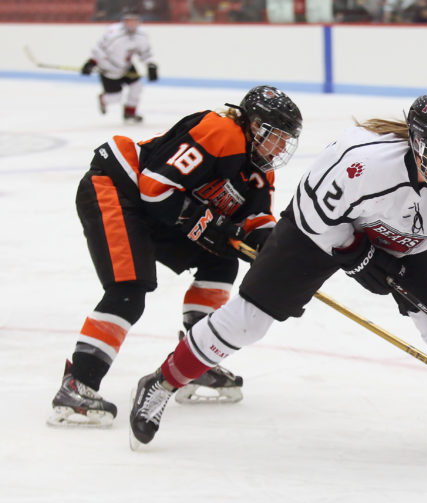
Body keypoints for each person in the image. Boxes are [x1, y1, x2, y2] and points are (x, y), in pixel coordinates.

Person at [127, 92, 427, 448]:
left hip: (409, 242)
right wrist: (355, 251)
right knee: (250, 320)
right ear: (417, 143)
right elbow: (315, 212)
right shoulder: (361, 162)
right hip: (316, 232)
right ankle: (161, 382)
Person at [47, 86, 303, 428]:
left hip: (158, 211)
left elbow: (256, 221)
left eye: (288, 139)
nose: (282, 147)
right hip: (119, 189)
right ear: (255, 126)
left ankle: (197, 359)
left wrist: (276, 260)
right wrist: (210, 225)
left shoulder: (260, 171)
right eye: (278, 136)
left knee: (221, 261)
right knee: (129, 290)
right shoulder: (221, 131)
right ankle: (77, 385)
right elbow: (155, 188)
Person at [80, 8, 158, 123]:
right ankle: (103, 99)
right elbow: (99, 49)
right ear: (124, 21)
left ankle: (130, 113)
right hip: (109, 68)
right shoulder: (113, 33)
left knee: (137, 87)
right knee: (115, 98)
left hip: (127, 66)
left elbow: (145, 53)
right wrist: (92, 62)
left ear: (138, 21)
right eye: (128, 20)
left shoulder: (141, 35)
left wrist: (151, 65)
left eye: (134, 20)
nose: (131, 23)